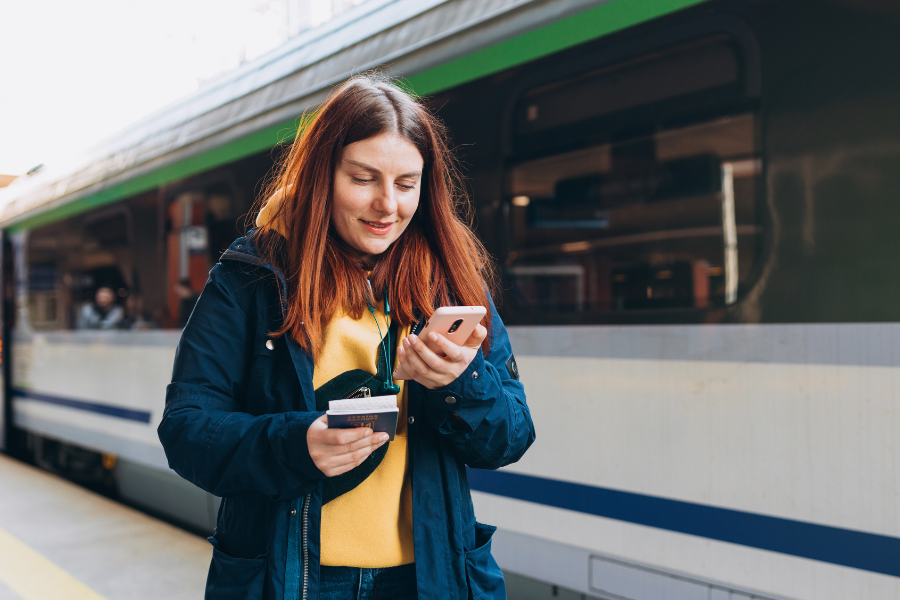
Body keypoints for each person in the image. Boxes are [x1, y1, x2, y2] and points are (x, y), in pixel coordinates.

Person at [158, 74, 535, 600]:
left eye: (407, 184)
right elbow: (185, 429)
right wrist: (297, 444)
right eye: (363, 179)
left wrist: (461, 381)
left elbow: (512, 437)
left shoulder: (449, 278)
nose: (388, 205)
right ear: (320, 175)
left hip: (429, 581)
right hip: (292, 583)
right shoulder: (251, 276)